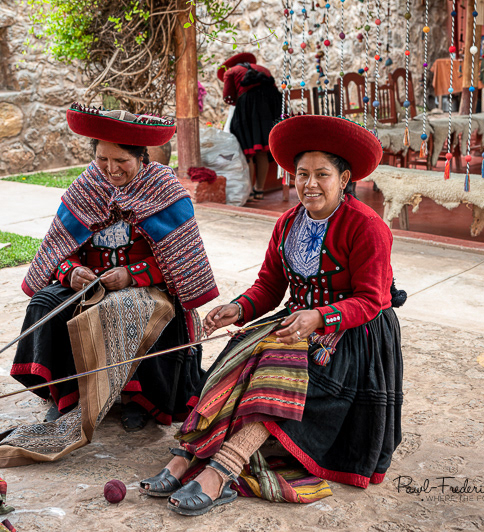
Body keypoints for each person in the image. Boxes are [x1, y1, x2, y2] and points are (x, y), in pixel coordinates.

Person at [140, 115, 406, 516]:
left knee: (273, 372)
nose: (310, 184)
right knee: (235, 358)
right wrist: (238, 308)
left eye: (322, 174)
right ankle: (186, 457)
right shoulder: (287, 223)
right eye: (302, 174)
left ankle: (221, 470)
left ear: (344, 178)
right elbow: (269, 286)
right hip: (297, 322)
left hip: (352, 337)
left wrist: (320, 317)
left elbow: (371, 300)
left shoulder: (366, 226)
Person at [10, 103, 220, 435]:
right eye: (102, 159)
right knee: (45, 304)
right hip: (89, 284)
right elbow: (59, 248)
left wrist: (132, 275)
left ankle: (140, 399)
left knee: (125, 307)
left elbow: (181, 260)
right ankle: (67, 394)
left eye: (121, 160)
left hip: (147, 287)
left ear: (142, 157)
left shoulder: (164, 190)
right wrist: (71, 272)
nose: (111, 169)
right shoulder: (86, 187)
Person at [220, 52, 283, 200]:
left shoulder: (230, 72)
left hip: (248, 109)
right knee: (262, 150)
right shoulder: (263, 69)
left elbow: (228, 97)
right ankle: (259, 189)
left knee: (247, 151)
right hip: (270, 109)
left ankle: (248, 191)